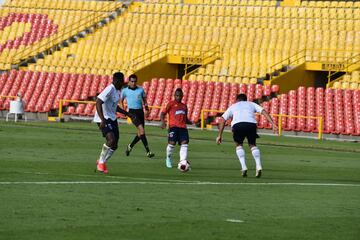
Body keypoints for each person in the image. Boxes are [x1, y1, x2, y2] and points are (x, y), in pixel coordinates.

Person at [216, 93, 278, 178]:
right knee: (252, 145)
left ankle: (244, 167)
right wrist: (273, 124)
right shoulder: (251, 104)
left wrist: (219, 135)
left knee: (239, 145)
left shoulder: (233, 106)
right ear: (246, 99)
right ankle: (258, 166)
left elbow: (222, 120)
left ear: (237, 100)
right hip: (251, 124)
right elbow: (263, 111)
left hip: (238, 125)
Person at [93, 72, 135, 174]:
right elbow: (98, 102)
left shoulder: (118, 91)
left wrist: (127, 113)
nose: (123, 83)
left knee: (115, 145)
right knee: (111, 140)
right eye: (121, 81)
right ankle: (101, 163)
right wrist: (102, 119)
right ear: (116, 81)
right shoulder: (110, 89)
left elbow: (114, 106)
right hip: (104, 118)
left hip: (112, 118)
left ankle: (101, 161)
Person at [120, 74, 154, 158]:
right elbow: (120, 100)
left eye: (135, 81)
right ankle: (148, 151)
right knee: (142, 130)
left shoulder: (141, 90)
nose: (133, 83)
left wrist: (146, 109)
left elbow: (144, 100)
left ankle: (130, 146)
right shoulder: (125, 91)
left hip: (140, 112)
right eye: (132, 81)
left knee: (140, 134)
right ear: (129, 82)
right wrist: (123, 110)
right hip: (132, 112)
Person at [160, 88, 189, 168]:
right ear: (174, 96)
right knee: (172, 143)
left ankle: (183, 162)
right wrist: (163, 122)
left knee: (184, 143)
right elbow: (162, 114)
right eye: (177, 95)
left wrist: (192, 122)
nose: (178, 97)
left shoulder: (184, 106)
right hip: (173, 127)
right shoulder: (171, 104)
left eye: (180, 96)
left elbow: (186, 118)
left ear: (182, 96)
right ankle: (168, 158)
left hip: (183, 128)